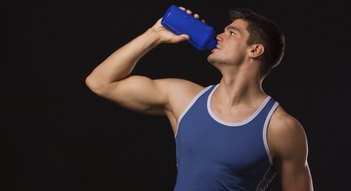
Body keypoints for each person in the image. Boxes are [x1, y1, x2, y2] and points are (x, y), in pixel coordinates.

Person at [85, 5, 314, 191]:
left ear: (255, 50)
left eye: (231, 33)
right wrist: (153, 36)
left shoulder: (281, 128)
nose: (219, 36)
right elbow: (101, 82)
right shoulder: (183, 97)